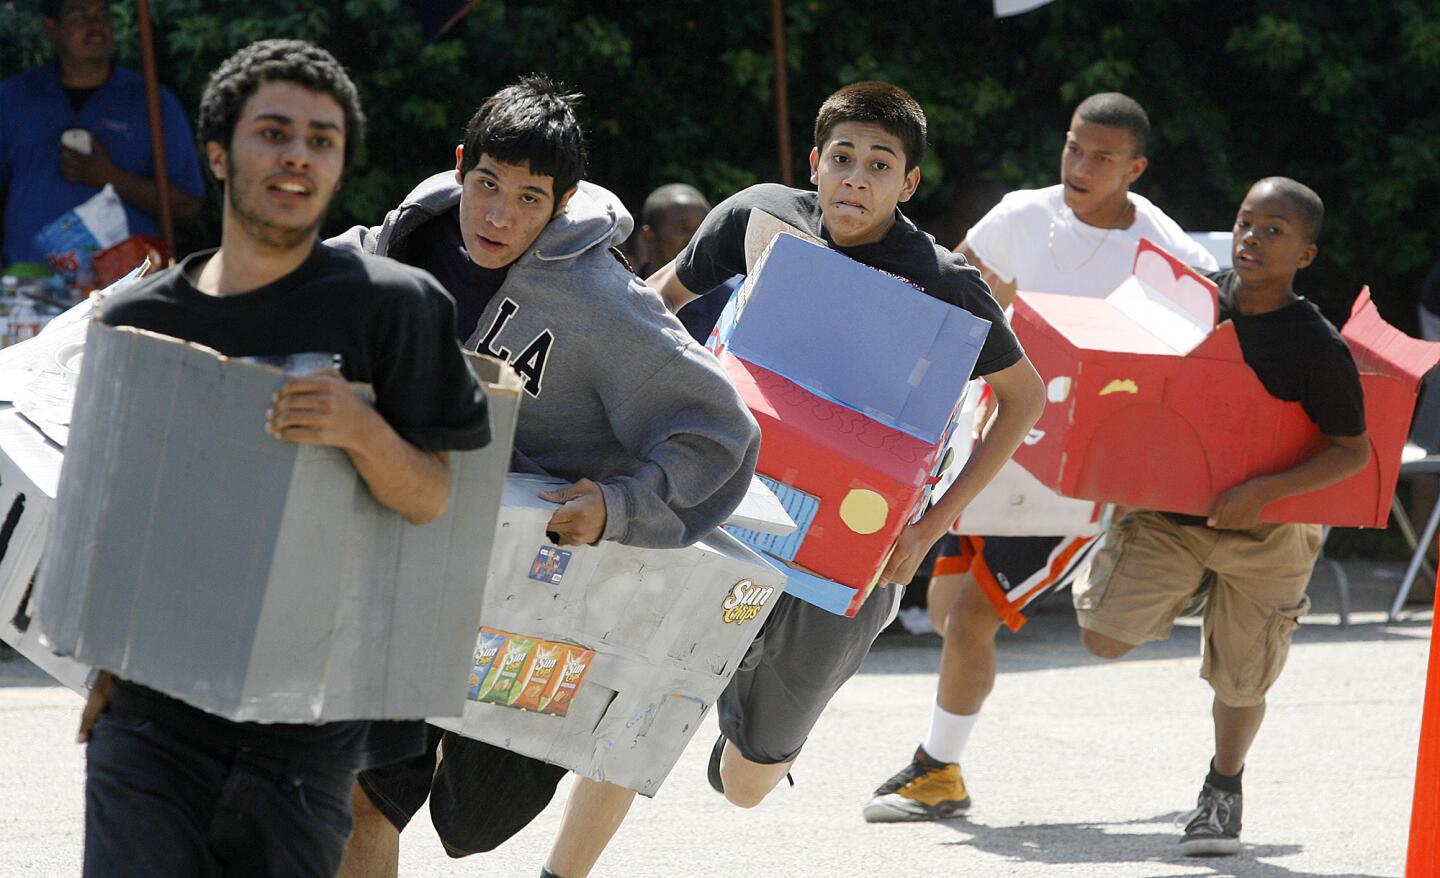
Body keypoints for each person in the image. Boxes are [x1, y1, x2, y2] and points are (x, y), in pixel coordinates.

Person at [328, 76, 760, 878]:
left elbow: (721, 433)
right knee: (360, 800)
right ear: (462, 166)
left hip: (536, 584)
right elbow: (319, 280)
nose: (498, 216)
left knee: (480, 814)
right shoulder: (411, 235)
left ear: (560, 205)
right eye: (486, 184)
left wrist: (623, 505)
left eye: (529, 198)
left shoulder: (601, 299)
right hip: (407, 560)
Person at [79, 39, 491, 878]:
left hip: (306, 732)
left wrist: (362, 429)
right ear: (220, 153)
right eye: (274, 132)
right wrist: (101, 661)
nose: (298, 154)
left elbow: (432, 500)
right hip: (151, 719)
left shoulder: (395, 308)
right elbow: (124, 517)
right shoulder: (140, 320)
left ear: (339, 166)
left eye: (322, 140)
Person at [647, 80, 1044, 816]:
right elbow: (656, 303)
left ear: (909, 182)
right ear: (814, 163)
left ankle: (754, 723)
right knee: (651, 680)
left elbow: (1026, 399)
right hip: (731, 503)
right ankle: (730, 668)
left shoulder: (945, 282)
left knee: (743, 787)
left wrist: (927, 531)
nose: (856, 178)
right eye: (842, 158)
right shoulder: (759, 215)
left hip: (861, 542)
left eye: (879, 165)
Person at [863, 92, 1219, 824]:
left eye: (1102, 157)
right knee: (942, 610)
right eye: (1073, 148)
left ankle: (938, 775)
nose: (1080, 166)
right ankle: (944, 762)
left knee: (968, 620)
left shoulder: (1163, 250)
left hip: (1074, 476)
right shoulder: (1023, 215)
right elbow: (950, 291)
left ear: (1136, 168)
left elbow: (1198, 345)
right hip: (988, 442)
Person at [1075, 177, 1368, 855]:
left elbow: (1352, 452)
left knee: (1242, 679)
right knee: (1102, 637)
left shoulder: (1317, 346)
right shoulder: (1189, 301)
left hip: (1269, 533)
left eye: (1274, 230)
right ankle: (1193, 584)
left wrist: (1263, 492)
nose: (1252, 240)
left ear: (1305, 254)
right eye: (1244, 224)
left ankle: (1222, 788)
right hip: (1169, 519)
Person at [0, 0, 204, 266]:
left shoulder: (152, 101)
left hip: (124, 286)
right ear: (52, 28)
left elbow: (187, 203)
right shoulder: (13, 98)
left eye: (103, 14)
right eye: (79, 16)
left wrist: (108, 177)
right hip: (29, 286)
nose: (96, 26)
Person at [633, 183, 735, 343]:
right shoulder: (622, 297)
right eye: (683, 229)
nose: (697, 239)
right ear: (649, 236)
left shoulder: (729, 307)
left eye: (703, 228)